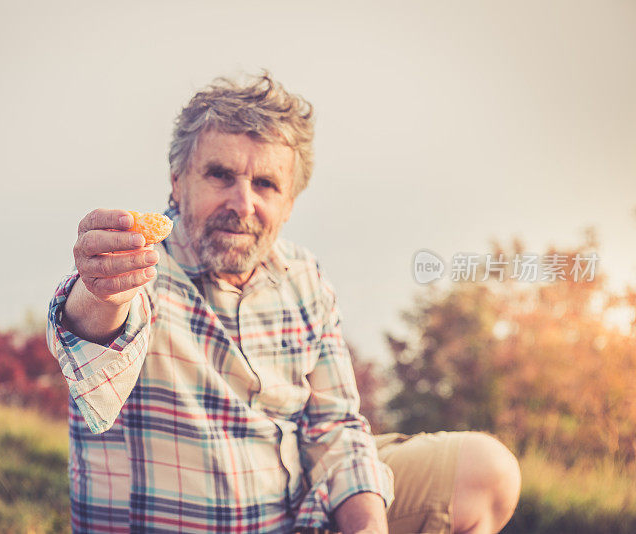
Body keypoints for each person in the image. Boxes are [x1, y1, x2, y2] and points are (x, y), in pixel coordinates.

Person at [46, 72, 521, 534]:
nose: (243, 202)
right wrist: (102, 290)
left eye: (267, 185)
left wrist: (367, 526)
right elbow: (92, 335)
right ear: (177, 180)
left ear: (291, 202)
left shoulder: (304, 276)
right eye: (220, 175)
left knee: (487, 471)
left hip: (300, 514)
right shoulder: (138, 270)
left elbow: (335, 427)